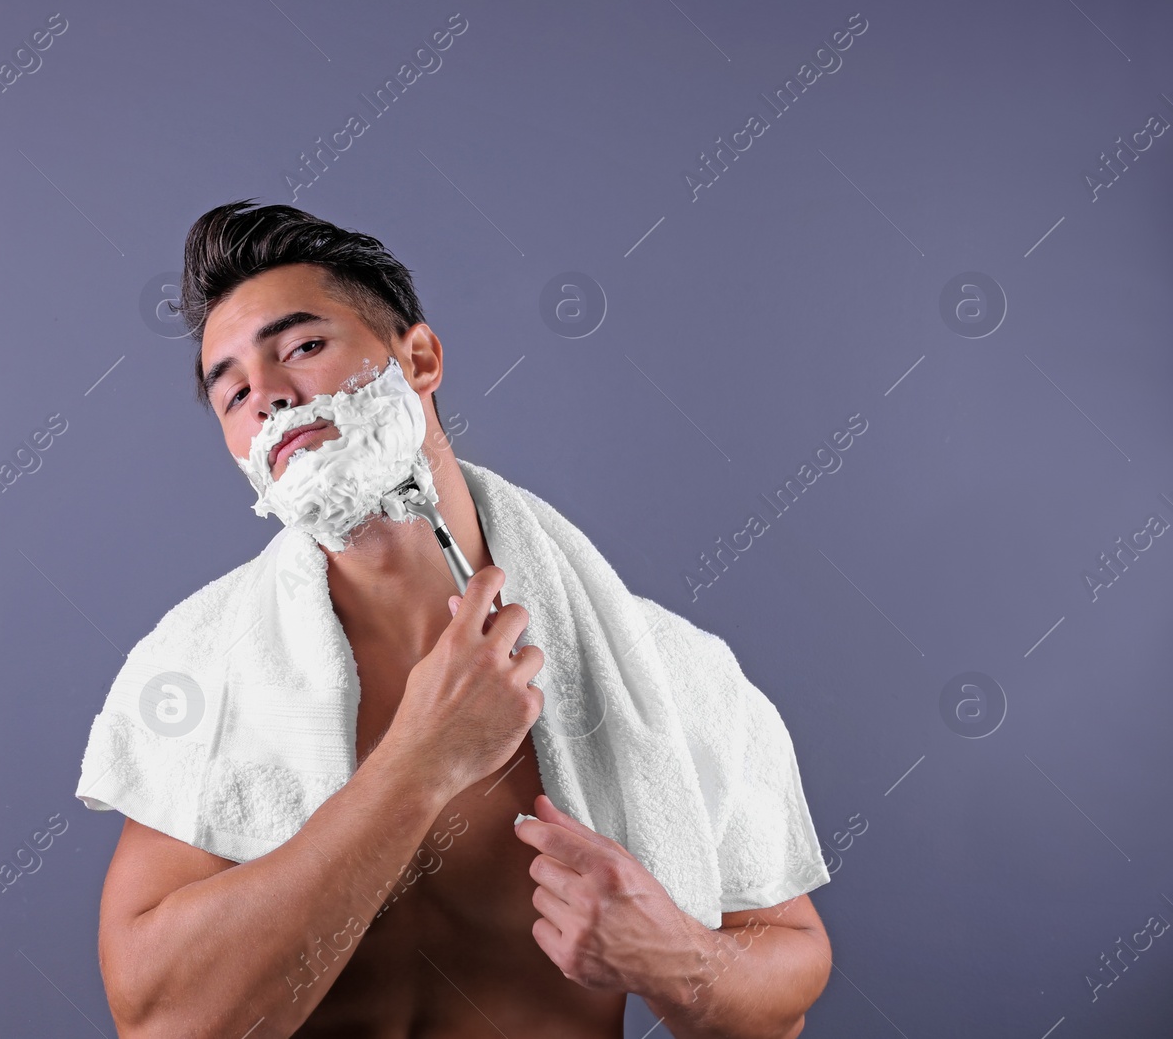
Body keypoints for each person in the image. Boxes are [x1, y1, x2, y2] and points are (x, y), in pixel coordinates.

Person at [83, 199, 832, 1037]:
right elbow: (162, 1023)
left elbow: (788, 983)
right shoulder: (201, 670)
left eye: (302, 347)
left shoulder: (659, 665)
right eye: (232, 393)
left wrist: (678, 958)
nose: (267, 397)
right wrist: (419, 762)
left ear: (421, 358)